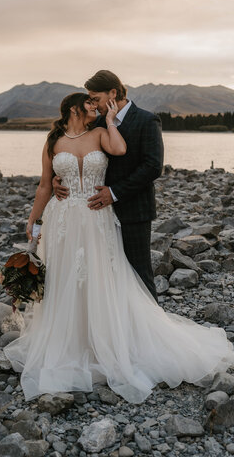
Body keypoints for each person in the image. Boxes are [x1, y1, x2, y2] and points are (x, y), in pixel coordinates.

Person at [3, 92, 234, 404]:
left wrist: (111, 121)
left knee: (101, 275)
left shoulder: (101, 132)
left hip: (97, 217)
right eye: (90, 105)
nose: (95, 109)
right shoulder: (53, 139)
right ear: (74, 108)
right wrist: (33, 221)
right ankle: (70, 342)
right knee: (64, 279)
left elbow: (121, 149)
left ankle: (106, 342)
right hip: (63, 220)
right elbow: (45, 185)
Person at [54, 70, 163, 302]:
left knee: (138, 272)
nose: (93, 104)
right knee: (103, 273)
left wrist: (114, 193)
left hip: (133, 209)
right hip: (97, 214)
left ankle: (147, 330)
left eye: (96, 98)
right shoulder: (98, 122)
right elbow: (80, 153)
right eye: (90, 99)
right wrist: (60, 178)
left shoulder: (146, 120)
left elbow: (153, 166)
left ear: (113, 93)